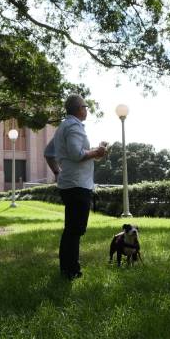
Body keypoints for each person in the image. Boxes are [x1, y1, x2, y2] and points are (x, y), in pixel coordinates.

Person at [44, 94, 107, 280]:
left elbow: (48, 153)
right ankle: (71, 271)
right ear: (79, 109)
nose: (86, 109)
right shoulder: (74, 126)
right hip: (78, 184)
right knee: (74, 230)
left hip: (69, 184)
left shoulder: (63, 127)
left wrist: (57, 173)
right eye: (85, 106)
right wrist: (97, 152)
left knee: (71, 229)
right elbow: (76, 154)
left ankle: (68, 268)